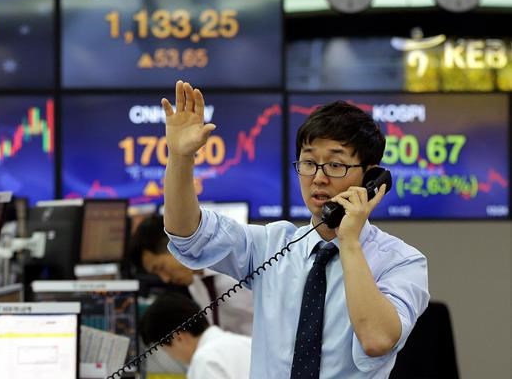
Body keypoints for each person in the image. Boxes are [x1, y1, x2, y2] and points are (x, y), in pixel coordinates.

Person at [159, 80, 430, 378]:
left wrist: (349, 241)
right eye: (309, 162)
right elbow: (188, 233)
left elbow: (377, 340)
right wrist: (181, 158)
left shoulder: (402, 261)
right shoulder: (272, 244)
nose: (318, 178)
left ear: (371, 177)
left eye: (336, 165)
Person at [129, 214, 253, 336]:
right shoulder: (195, 284)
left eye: (161, 268)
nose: (165, 279)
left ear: (176, 245)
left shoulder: (242, 265)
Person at [139, 292, 252, 379]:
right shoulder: (248, 343)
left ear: (178, 338)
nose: (172, 357)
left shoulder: (204, 360)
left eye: (166, 349)